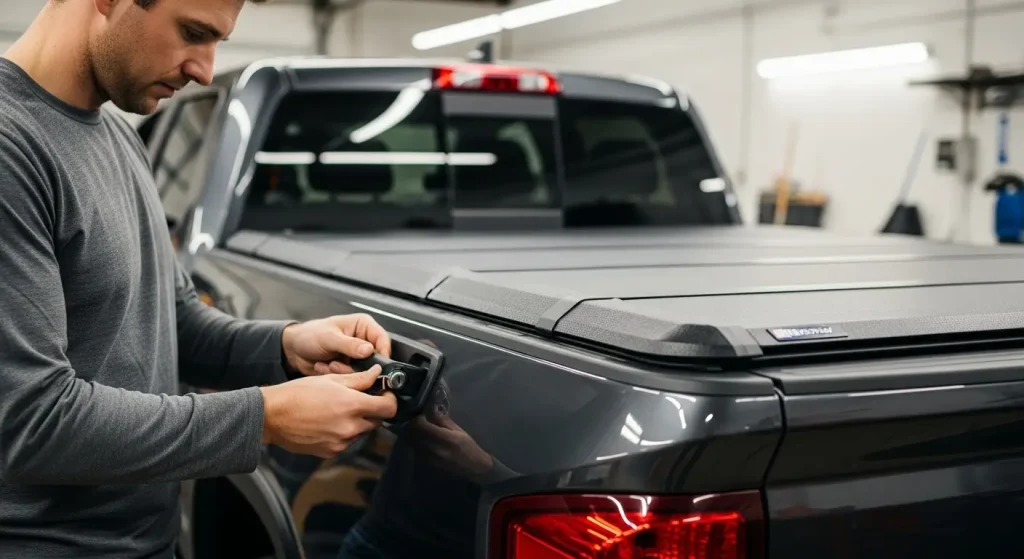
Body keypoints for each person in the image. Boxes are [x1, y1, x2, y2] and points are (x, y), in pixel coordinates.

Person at [0, 0, 398, 558]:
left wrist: (285, 345)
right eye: (192, 32)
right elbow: (32, 423)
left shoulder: (120, 136)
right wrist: (266, 418)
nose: (205, 70)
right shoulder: (11, 147)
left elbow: (174, 320)